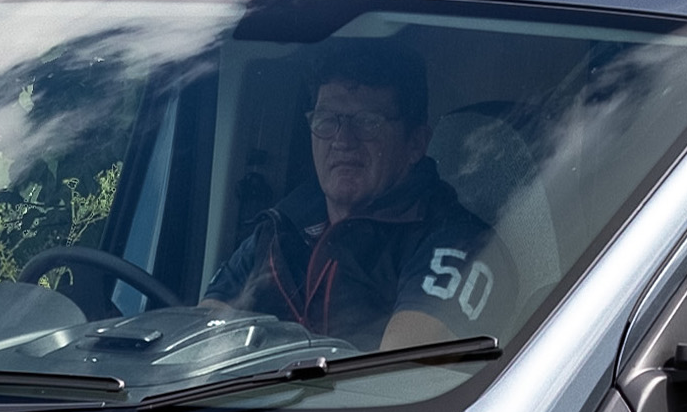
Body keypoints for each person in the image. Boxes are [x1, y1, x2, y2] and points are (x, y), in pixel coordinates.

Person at [211, 40, 495, 346]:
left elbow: (401, 376)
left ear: (415, 143)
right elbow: (201, 339)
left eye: (367, 122)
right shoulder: (282, 226)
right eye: (327, 120)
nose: (343, 140)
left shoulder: (454, 243)